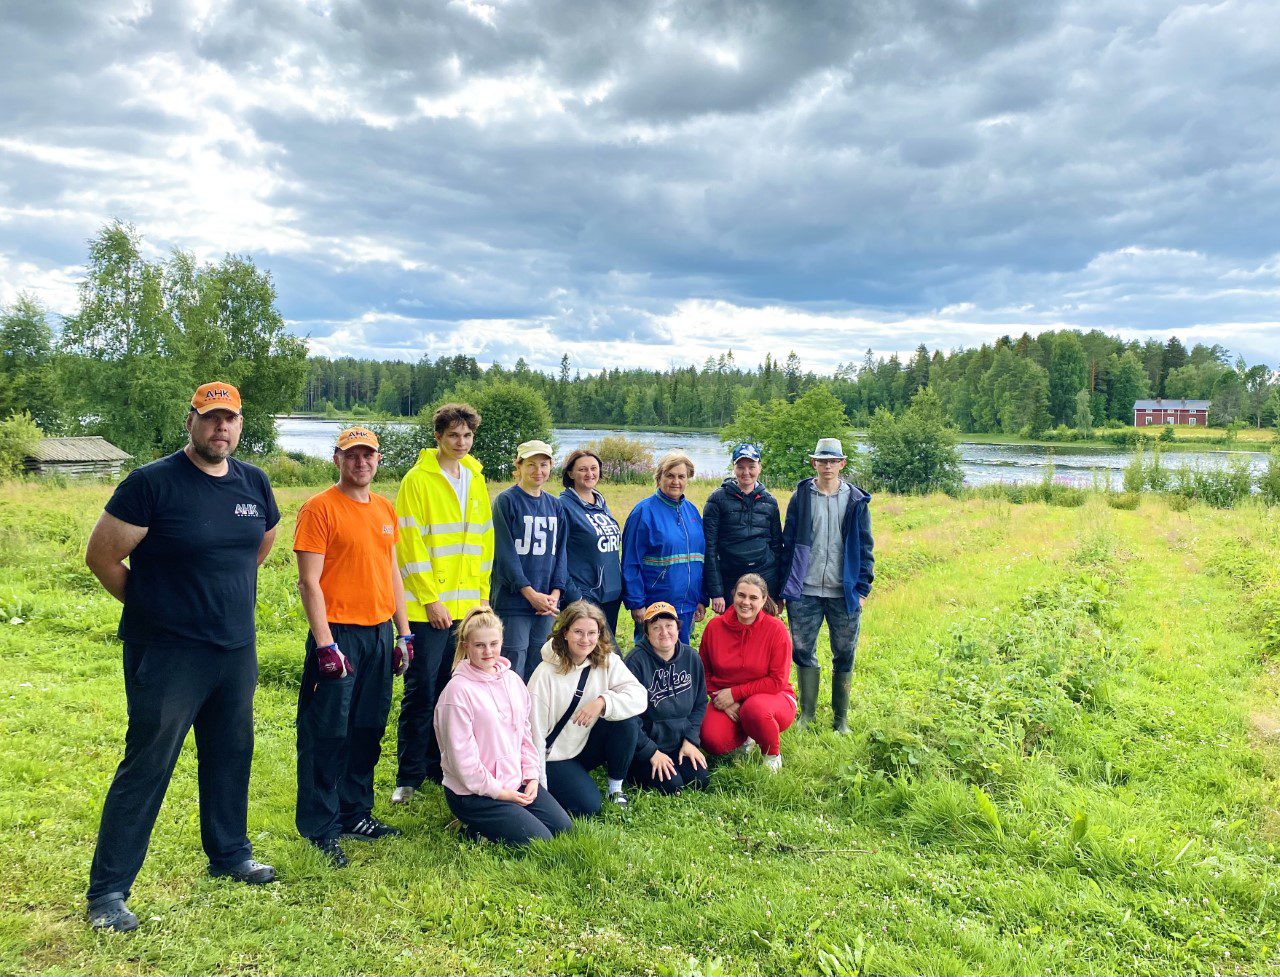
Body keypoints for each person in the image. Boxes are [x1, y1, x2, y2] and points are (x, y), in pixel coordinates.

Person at [82, 381, 280, 933]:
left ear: (241, 425)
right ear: (191, 421)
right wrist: (156, 605)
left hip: (235, 649)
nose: (222, 428)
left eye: (231, 419)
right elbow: (102, 556)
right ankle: (109, 893)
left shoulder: (254, 483)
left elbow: (258, 547)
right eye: (211, 418)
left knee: (231, 751)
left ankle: (230, 854)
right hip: (168, 652)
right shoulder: (152, 483)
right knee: (147, 764)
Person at [293, 426, 414, 867]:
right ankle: (320, 826)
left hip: (380, 633)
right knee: (327, 731)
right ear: (337, 459)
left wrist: (404, 634)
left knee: (367, 728)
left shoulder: (385, 509)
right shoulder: (319, 509)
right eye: (352, 455)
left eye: (369, 455)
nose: (361, 462)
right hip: (338, 636)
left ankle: (355, 812)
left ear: (379, 459)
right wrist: (325, 644)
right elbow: (309, 582)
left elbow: (392, 574)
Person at [392, 403, 494, 805]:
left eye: (467, 436)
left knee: (453, 690)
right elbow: (409, 544)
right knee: (421, 691)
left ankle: (440, 766)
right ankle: (409, 775)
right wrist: (431, 599)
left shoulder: (474, 477)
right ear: (438, 437)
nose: (461, 442)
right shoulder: (417, 480)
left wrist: (482, 597)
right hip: (427, 607)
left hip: (467, 606)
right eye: (454, 435)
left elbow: (484, 541)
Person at [434, 607, 573, 845]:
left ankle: (505, 819)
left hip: (514, 780)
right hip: (474, 792)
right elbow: (462, 762)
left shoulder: (513, 680)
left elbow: (525, 736)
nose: (488, 651)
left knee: (563, 828)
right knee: (539, 840)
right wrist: (500, 793)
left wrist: (531, 777)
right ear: (466, 646)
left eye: (494, 643)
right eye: (479, 645)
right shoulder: (456, 694)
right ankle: (472, 827)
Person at [778, 437, 874, 733]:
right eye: (822, 461)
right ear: (814, 463)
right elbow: (788, 542)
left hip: (842, 591)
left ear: (842, 464)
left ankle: (840, 719)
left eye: (833, 461)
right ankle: (807, 716)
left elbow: (865, 547)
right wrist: (785, 587)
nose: (827, 466)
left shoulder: (856, 501)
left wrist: (862, 588)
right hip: (804, 590)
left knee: (844, 651)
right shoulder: (801, 497)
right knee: (803, 650)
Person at [528, 601, 646, 815]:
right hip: (553, 755)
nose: (585, 639)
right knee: (588, 807)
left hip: (584, 745)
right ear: (565, 633)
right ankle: (566, 783)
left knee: (626, 719)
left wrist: (603, 702)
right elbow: (534, 734)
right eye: (578, 632)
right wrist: (539, 788)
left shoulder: (607, 660)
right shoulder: (544, 674)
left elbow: (640, 697)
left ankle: (615, 788)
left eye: (592, 632)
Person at [698, 574, 797, 772]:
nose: (746, 602)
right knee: (711, 740)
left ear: (763, 600)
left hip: (773, 698)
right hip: (726, 698)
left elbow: (777, 680)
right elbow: (703, 671)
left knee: (754, 709)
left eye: (753, 598)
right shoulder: (714, 628)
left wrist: (735, 694)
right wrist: (720, 700)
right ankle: (746, 736)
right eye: (741, 595)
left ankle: (771, 755)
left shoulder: (776, 629)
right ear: (733, 595)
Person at [491, 440, 569, 682]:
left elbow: (561, 552)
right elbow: (504, 554)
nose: (538, 471)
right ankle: (509, 718)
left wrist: (556, 592)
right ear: (519, 466)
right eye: (531, 464)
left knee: (540, 662)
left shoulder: (555, 505)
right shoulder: (506, 501)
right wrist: (529, 593)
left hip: (546, 604)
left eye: (544, 465)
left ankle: (534, 718)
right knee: (513, 664)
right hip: (514, 602)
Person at [623, 602, 710, 795]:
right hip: (646, 746)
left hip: (679, 742)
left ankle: (678, 759)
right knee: (671, 786)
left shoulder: (691, 658)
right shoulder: (635, 662)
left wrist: (691, 740)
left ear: (678, 628)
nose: (664, 632)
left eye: (669, 626)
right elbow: (628, 717)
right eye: (656, 627)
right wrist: (650, 752)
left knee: (700, 780)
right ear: (646, 633)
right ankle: (634, 770)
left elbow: (700, 704)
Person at [620, 451, 706, 643]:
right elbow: (630, 562)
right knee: (652, 662)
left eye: (681, 476)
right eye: (670, 475)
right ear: (659, 478)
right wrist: (636, 603)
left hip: (687, 605)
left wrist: (701, 598)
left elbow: (700, 559)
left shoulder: (691, 511)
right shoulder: (643, 512)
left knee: (679, 661)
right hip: (655, 604)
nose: (676, 481)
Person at [701, 442, 783, 614]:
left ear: (759, 467)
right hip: (731, 578)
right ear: (734, 468)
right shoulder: (716, 500)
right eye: (741, 467)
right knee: (732, 633)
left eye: (751, 466)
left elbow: (776, 546)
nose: (746, 472)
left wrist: (777, 592)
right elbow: (709, 548)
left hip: (764, 576)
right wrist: (716, 592)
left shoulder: (770, 502)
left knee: (762, 632)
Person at [559, 448, 623, 637]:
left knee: (602, 657)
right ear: (570, 473)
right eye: (583, 469)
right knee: (601, 651)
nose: (590, 474)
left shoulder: (601, 504)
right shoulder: (563, 506)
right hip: (585, 599)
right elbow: (557, 555)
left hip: (610, 596)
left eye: (594, 468)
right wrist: (575, 596)